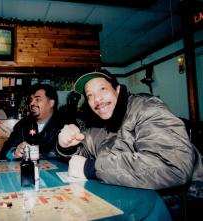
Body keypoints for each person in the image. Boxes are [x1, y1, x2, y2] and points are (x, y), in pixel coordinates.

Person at [56, 70, 203, 192]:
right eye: (90, 95)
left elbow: (173, 167)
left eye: (102, 89)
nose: (97, 99)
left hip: (183, 201)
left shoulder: (147, 109)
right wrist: (67, 145)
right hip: (134, 196)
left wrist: (93, 169)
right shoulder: (99, 125)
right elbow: (81, 157)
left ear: (117, 90)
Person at [0, 84, 63, 160]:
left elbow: (62, 154)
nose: (32, 103)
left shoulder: (63, 124)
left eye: (37, 99)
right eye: (31, 100)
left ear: (51, 103)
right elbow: (4, 151)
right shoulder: (23, 124)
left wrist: (34, 154)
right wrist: (14, 153)